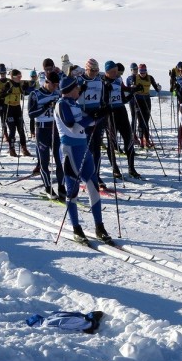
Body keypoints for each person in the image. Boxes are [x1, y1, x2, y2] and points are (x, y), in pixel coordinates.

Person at [54, 76, 113, 244]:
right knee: (72, 191)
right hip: (70, 150)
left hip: (83, 148)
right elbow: (73, 125)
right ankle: (76, 229)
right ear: (71, 89)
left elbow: (88, 120)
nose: (79, 90)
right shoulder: (62, 104)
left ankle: (99, 227)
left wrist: (103, 113)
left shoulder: (74, 104)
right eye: (77, 88)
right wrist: (94, 116)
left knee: (93, 186)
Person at [29, 71, 64, 200]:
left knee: (60, 160)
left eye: (57, 85)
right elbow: (31, 114)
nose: (55, 87)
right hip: (42, 130)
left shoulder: (57, 93)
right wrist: (46, 107)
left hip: (55, 129)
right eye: (53, 85)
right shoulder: (35, 94)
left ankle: (61, 187)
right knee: (44, 161)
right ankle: (48, 187)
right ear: (47, 82)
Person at [76, 58, 110, 190]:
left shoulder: (99, 81)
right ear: (86, 69)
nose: (95, 72)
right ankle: (84, 174)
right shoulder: (80, 80)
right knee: (87, 148)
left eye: (96, 70)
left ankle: (95, 174)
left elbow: (102, 98)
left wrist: (104, 108)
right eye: (92, 70)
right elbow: (72, 98)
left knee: (97, 149)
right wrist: (80, 91)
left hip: (97, 117)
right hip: (84, 117)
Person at [103, 62, 140, 180]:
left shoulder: (118, 80)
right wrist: (105, 91)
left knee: (129, 139)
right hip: (110, 113)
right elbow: (101, 100)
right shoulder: (102, 82)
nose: (115, 74)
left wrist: (133, 91)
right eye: (113, 72)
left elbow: (123, 99)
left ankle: (131, 168)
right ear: (107, 72)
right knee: (112, 142)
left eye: (116, 71)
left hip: (121, 112)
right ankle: (115, 169)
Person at [0, 63, 10, 142]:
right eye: (1, 73)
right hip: (0, 102)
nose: (2, 75)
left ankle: (10, 133)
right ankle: (5, 134)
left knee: (8, 118)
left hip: (7, 102)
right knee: (3, 119)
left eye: (3, 73)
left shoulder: (9, 81)